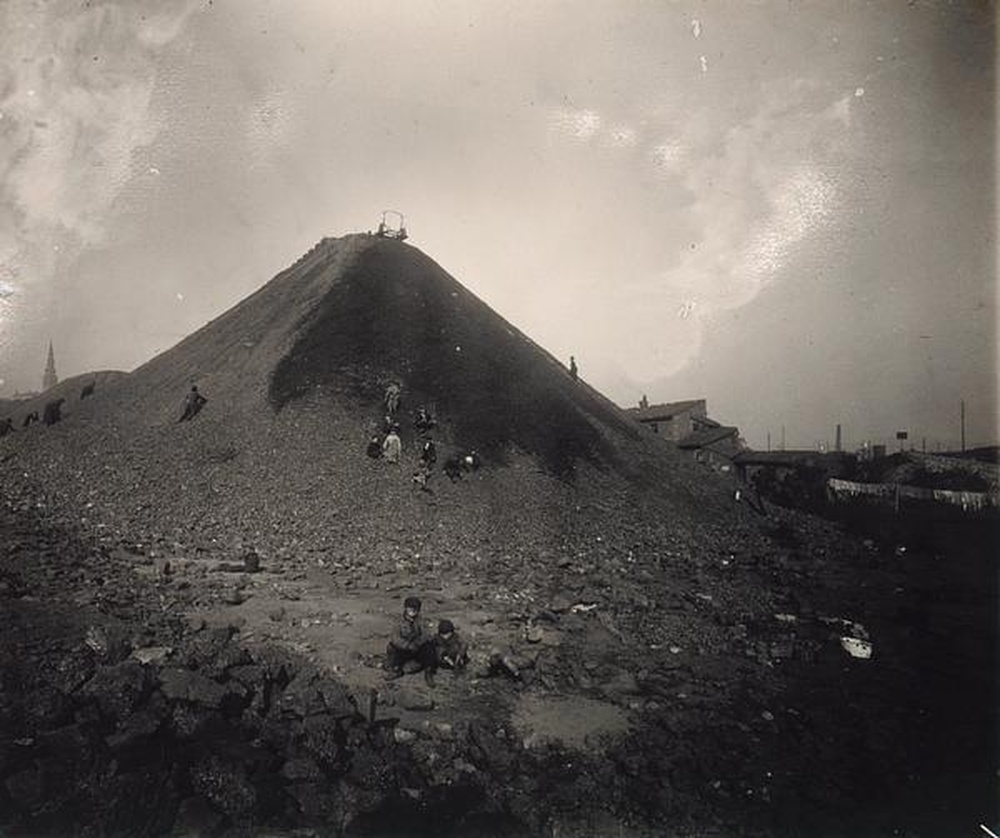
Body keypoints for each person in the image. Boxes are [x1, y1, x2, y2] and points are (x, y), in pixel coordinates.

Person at [384, 596, 434, 681]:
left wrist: (418, 643)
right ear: (405, 608)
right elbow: (395, 638)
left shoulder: (421, 620)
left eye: (415, 608)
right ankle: (396, 670)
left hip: (417, 648)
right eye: (410, 608)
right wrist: (407, 645)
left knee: (428, 646)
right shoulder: (399, 621)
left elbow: (427, 634)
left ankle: (428, 672)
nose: (412, 610)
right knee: (392, 647)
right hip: (404, 649)